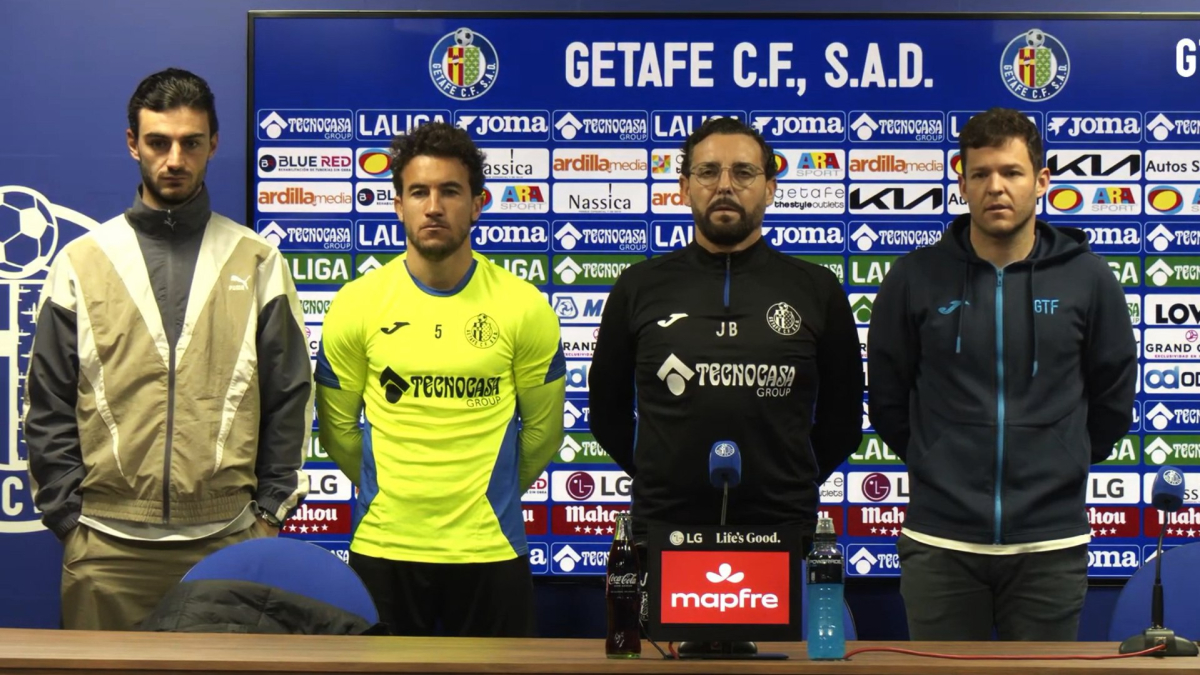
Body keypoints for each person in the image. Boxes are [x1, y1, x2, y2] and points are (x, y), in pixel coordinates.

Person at [23, 67, 313, 631]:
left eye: (191, 143)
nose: (174, 159)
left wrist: (267, 517)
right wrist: (68, 516)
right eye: (158, 142)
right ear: (133, 143)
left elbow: (289, 397)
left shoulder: (257, 261)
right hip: (106, 552)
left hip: (227, 544)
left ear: (213, 145)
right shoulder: (82, 262)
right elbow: (47, 403)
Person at [868, 107, 1137, 641]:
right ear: (961, 179)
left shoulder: (1088, 277)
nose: (996, 187)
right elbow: (889, 401)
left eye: (1011, 173)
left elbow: (1112, 399)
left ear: (1041, 181)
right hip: (941, 543)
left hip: (1049, 546)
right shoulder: (914, 276)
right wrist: (935, 455)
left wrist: (1063, 457)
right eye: (981, 173)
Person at [315, 122, 566, 637]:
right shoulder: (356, 305)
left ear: (477, 204)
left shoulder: (525, 307)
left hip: (490, 551)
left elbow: (544, 434)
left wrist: (482, 498)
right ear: (398, 204)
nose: (434, 206)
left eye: (450, 191)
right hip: (384, 550)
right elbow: (337, 431)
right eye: (419, 192)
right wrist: (400, 495)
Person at [588, 117, 863, 545]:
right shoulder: (638, 287)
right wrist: (664, 475)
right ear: (683, 188)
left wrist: (785, 480)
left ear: (770, 187)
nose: (725, 185)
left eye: (743, 172)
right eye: (708, 171)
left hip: (782, 523)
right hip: (665, 524)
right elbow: (606, 412)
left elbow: (843, 420)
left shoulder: (816, 288)